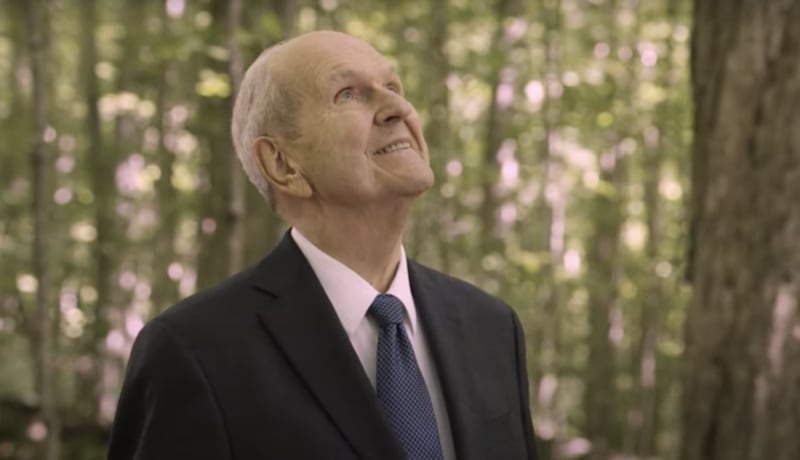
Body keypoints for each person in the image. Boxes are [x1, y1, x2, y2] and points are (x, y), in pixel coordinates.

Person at [108, 30, 538, 460]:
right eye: (348, 94)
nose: (398, 108)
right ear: (281, 163)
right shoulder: (193, 350)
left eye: (392, 87)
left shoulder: (492, 326)